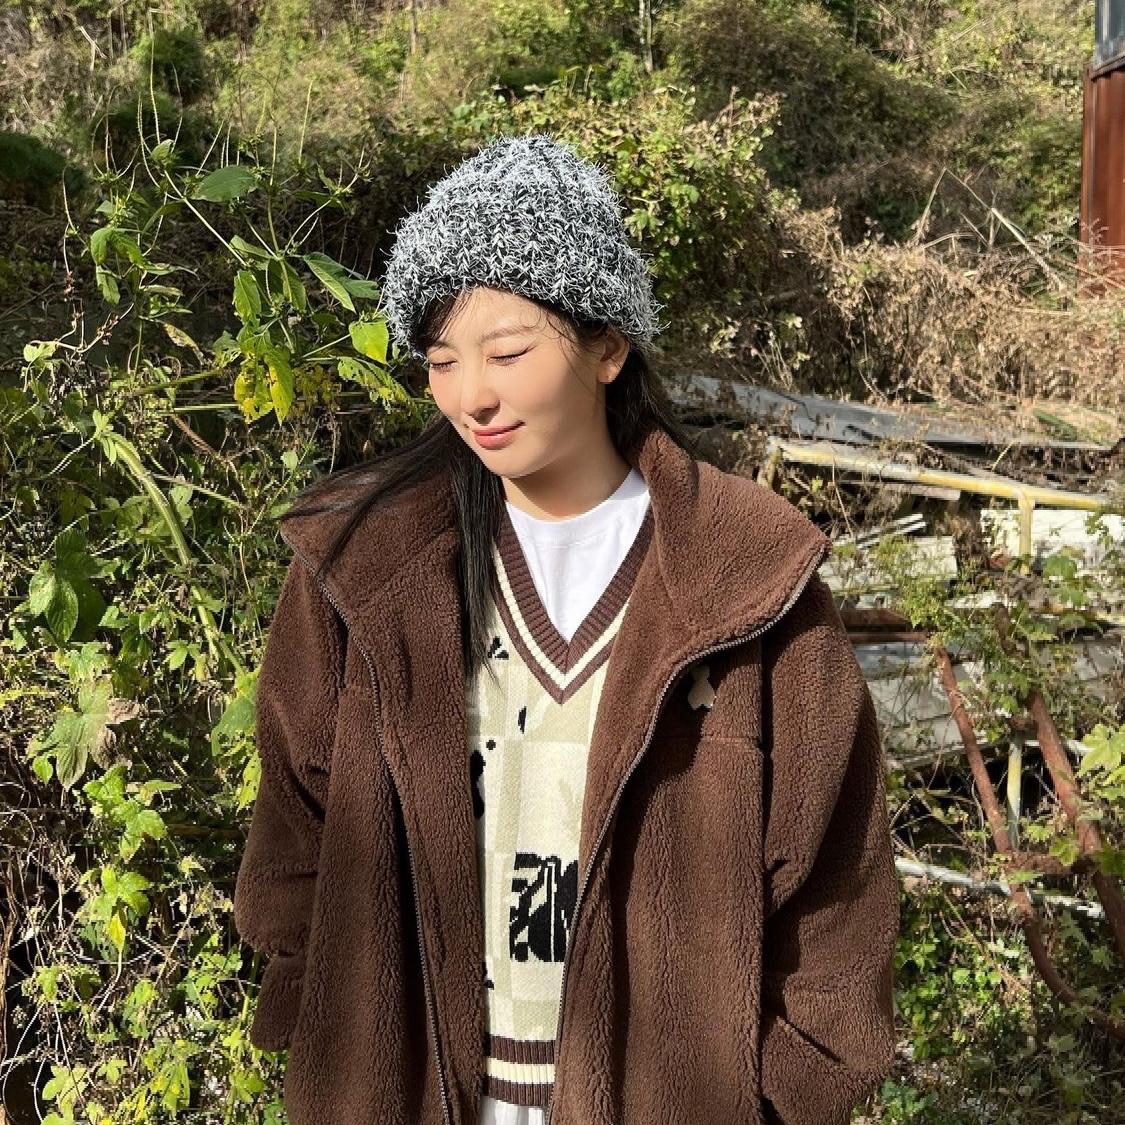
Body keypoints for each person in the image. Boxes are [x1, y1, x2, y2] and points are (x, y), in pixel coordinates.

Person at [233, 133, 899, 1125]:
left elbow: (835, 879)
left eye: (507, 353)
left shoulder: (748, 582)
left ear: (608, 347)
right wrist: (318, 1023)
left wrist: (789, 1093)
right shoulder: (362, 568)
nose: (472, 395)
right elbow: (295, 826)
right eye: (442, 360)